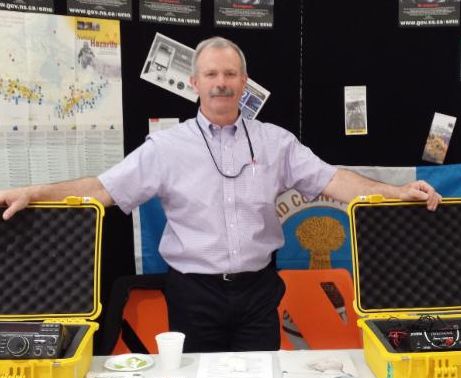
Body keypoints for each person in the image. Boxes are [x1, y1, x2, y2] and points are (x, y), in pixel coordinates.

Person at [0, 37, 441, 353]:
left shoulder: (276, 142)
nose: (221, 83)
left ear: (244, 81)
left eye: (230, 74)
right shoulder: (166, 148)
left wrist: (395, 192)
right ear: (195, 82)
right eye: (211, 74)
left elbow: (333, 180)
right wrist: (36, 193)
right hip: (193, 295)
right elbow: (102, 189)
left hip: (258, 293)